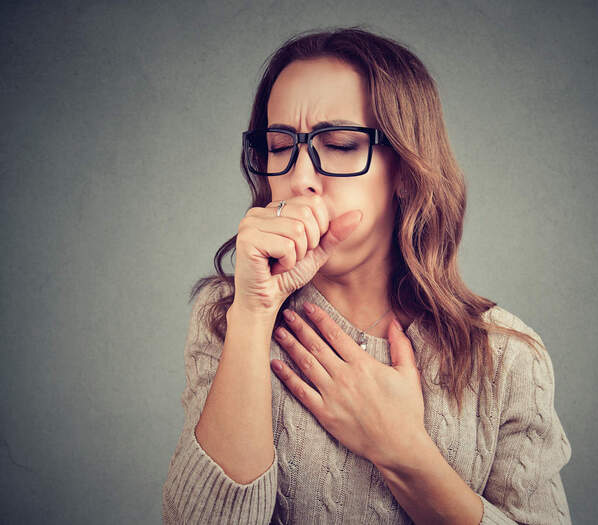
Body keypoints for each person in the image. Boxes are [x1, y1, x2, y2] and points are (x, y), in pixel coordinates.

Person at [162, 26, 573, 525]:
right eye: (277, 145)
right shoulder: (225, 318)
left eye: (337, 144)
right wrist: (254, 315)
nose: (299, 178)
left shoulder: (508, 357)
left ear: (404, 169)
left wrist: (403, 450)